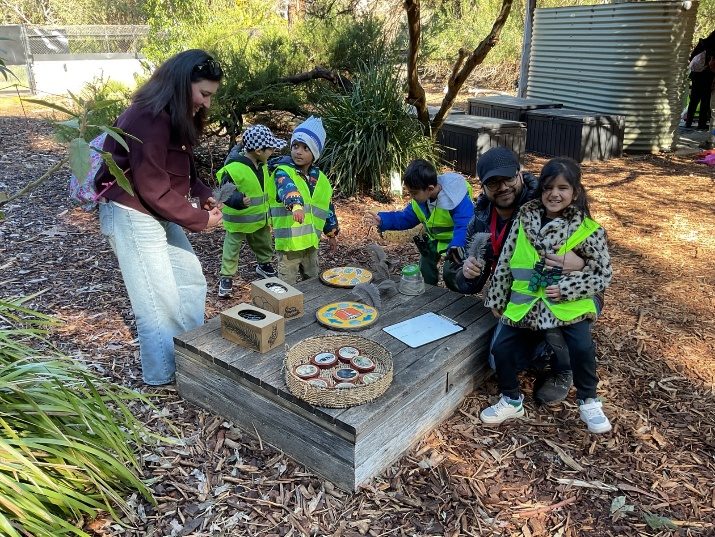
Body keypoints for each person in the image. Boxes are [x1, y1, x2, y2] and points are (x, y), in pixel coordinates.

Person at [96, 49, 224, 386]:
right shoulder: (148, 117)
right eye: (204, 93)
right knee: (157, 300)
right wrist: (200, 220)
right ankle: (164, 376)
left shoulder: (173, 115)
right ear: (181, 84)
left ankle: (189, 359)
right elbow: (152, 186)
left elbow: (180, 167)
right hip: (131, 212)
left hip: (157, 210)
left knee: (190, 280)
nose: (207, 103)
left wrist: (201, 192)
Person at [447, 147, 592, 404]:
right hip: (517, 297)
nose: (503, 187)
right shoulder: (480, 220)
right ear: (483, 187)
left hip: (557, 290)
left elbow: (592, 247)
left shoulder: (547, 202)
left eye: (508, 178)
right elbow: (465, 281)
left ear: (520, 174)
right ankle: (540, 345)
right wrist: (467, 273)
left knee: (554, 322)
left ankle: (564, 367)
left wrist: (580, 262)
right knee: (500, 360)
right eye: (493, 183)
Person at [480, 157, 613, 434]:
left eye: (563, 188)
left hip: (567, 305)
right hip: (524, 302)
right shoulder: (523, 220)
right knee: (501, 348)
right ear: (540, 190)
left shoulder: (588, 229)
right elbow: (506, 261)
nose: (554, 194)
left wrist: (567, 288)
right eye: (548, 187)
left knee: (581, 346)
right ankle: (511, 399)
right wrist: (497, 296)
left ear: (575, 192)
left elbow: (602, 274)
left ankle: (589, 400)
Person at [365, 159, 473, 290]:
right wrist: (383, 220)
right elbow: (405, 218)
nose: (411, 196)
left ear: (430, 189)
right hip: (433, 239)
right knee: (425, 266)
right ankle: (428, 292)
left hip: (455, 242)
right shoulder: (420, 201)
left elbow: (465, 225)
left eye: (414, 193)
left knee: (451, 272)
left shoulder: (456, 199)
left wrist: (457, 245)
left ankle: (456, 296)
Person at [265, 116, 339, 284]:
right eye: (295, 146)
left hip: (311, 243)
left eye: (306, 148)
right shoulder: (283, 171)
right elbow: (287, 187)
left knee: (313, 280)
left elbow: (326, 207)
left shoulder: (321, 180)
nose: (298, 151)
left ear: (315, 153)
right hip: (289, 243)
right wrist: (296, 205)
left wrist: (331, 233)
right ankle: (287, 301)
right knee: (287, 284)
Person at [216, 125, 287, 298]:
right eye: (271, 148)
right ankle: (226, 276)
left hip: (259, 218)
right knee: (232, 248)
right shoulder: (234, 168)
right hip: (238, 220)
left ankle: (264, 264)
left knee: (263, 243)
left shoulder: (262, 164)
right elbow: (223, 192)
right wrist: (238, 200)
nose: (273, 151)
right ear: (258, 150)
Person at [686, 31, 715, 129]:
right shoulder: (712, 47)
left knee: (694, 100)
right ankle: (701, 124)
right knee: (705, 100)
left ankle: (688, 122)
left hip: (696, 75)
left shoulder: (702, 43)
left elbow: (692, 57)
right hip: (707, 75)